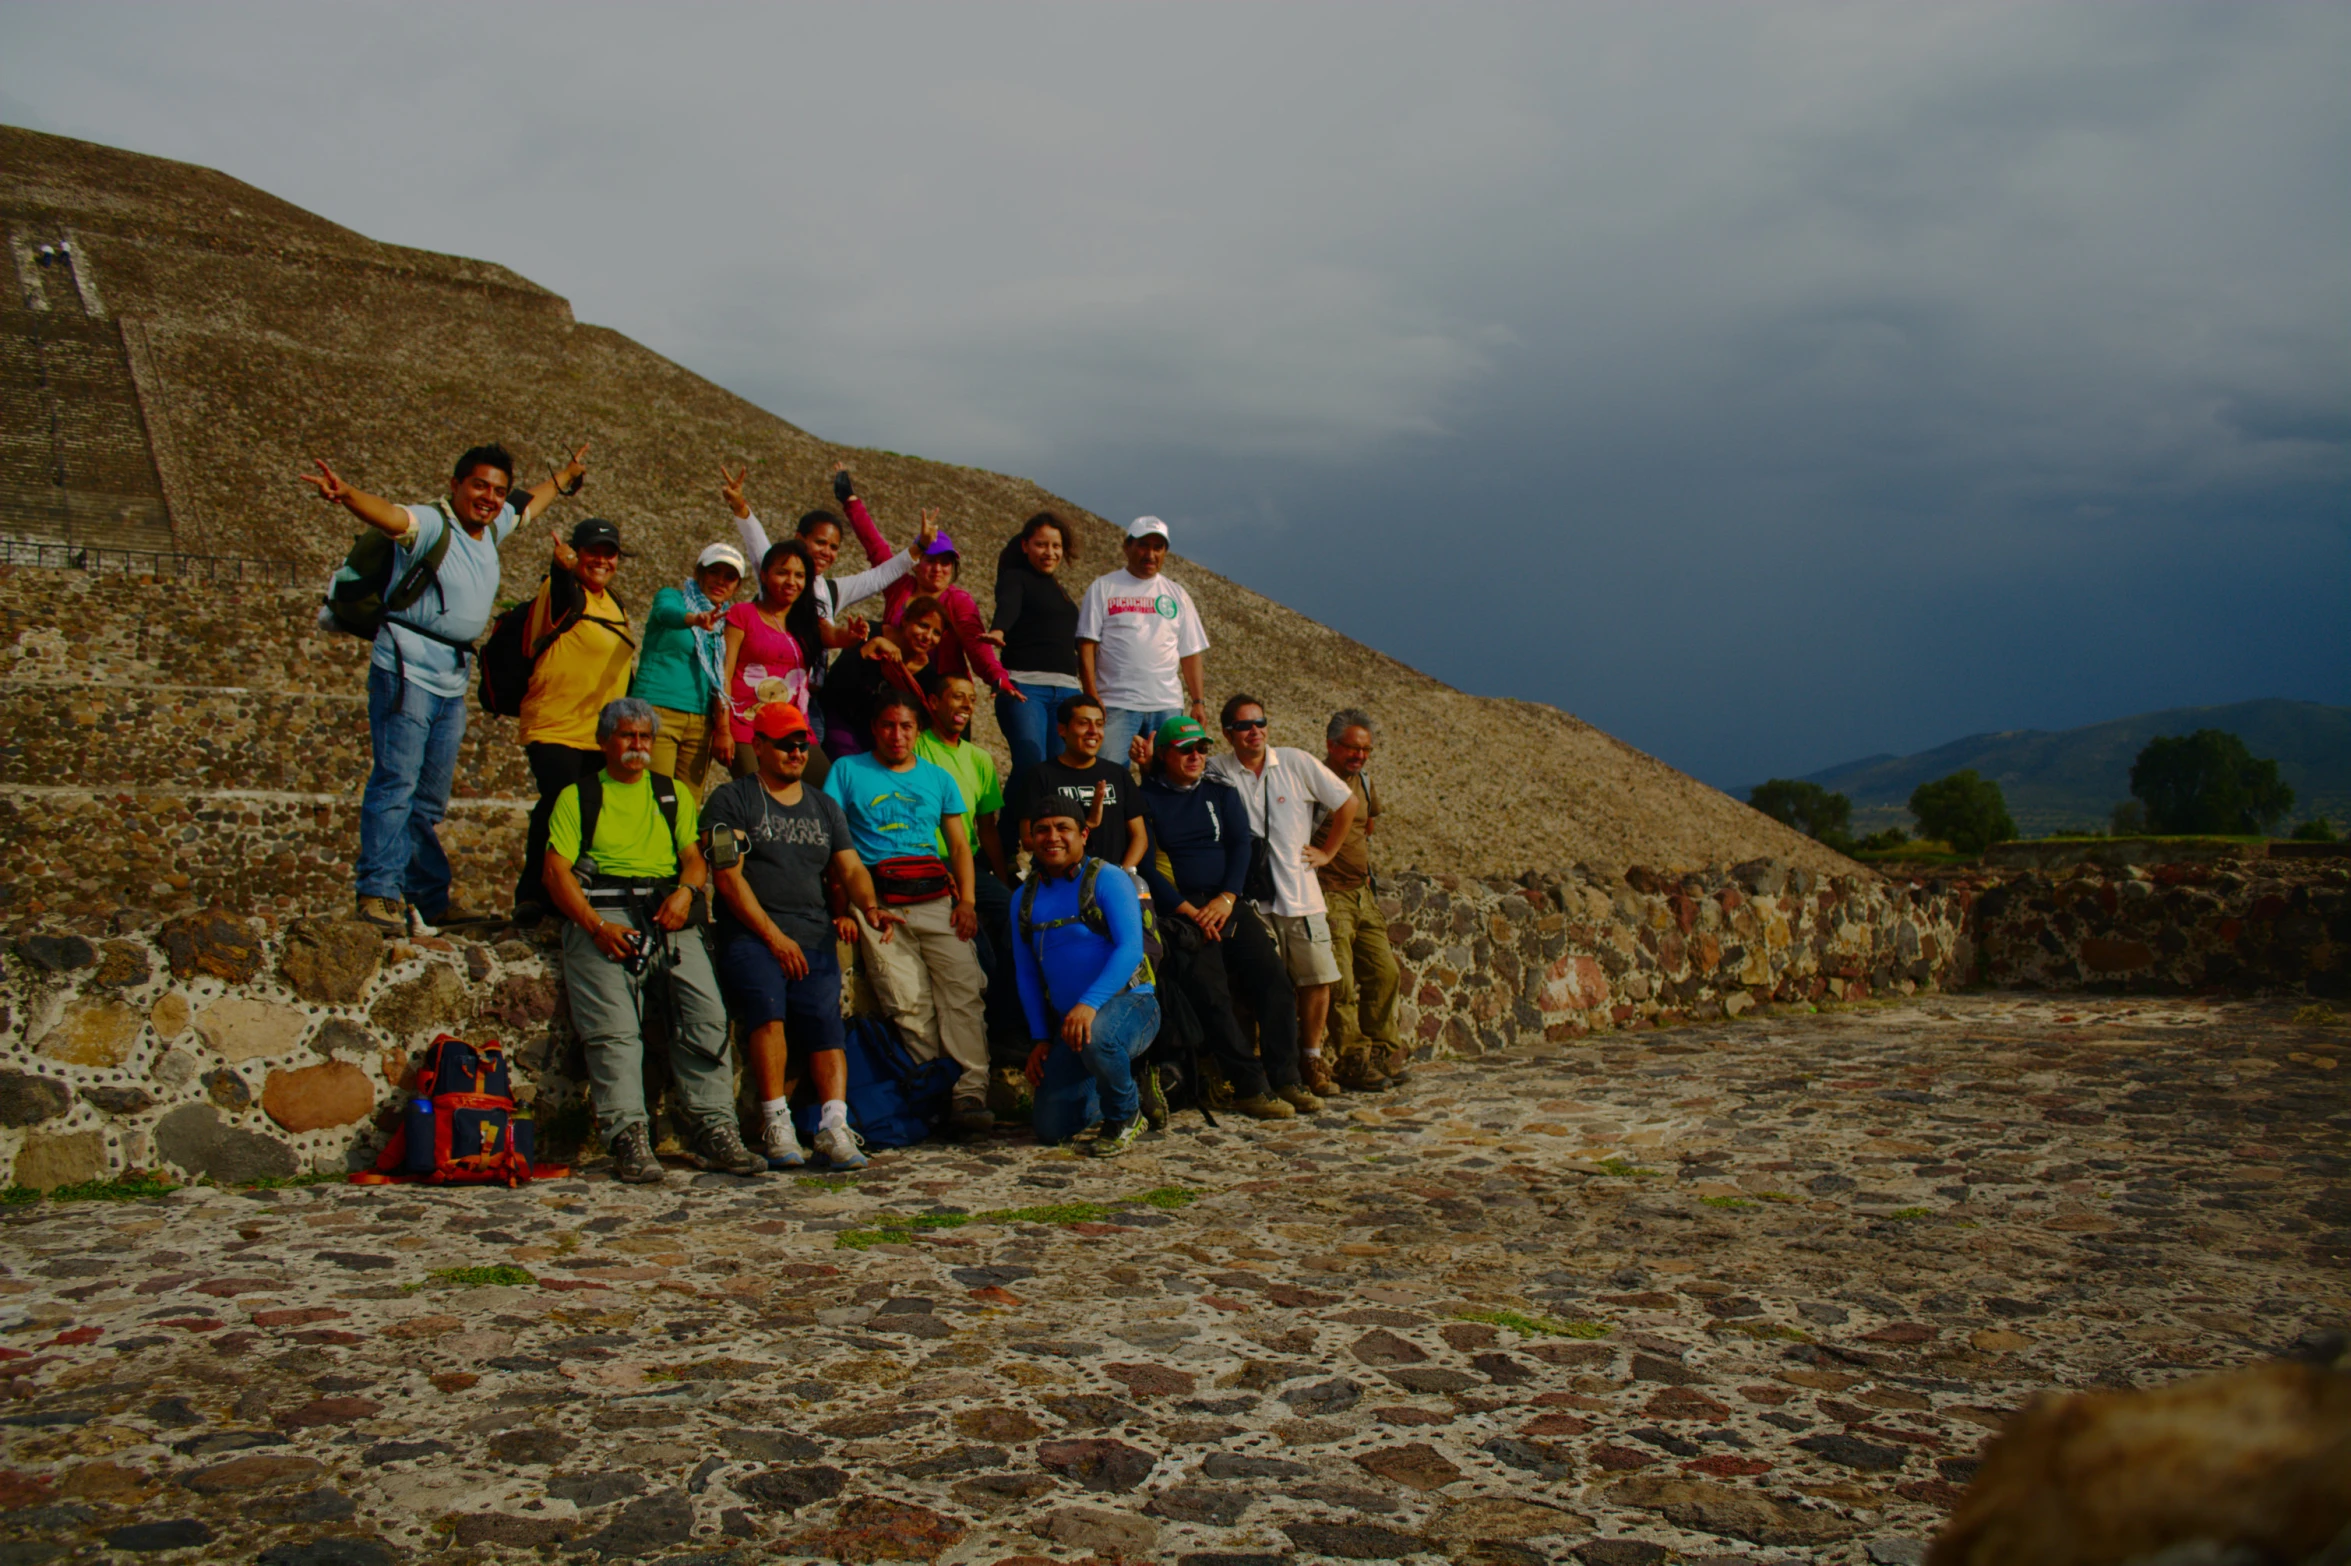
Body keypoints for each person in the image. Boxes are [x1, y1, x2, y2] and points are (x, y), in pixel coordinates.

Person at [301, 441, 588, 930]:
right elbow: (392, 518)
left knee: (429, 799)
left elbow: (526, 507)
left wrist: (564, 477)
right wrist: (347, 494)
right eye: (480, 485)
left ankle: (428, 899)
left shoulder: (490, 527)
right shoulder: (433, 523)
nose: (491, 497)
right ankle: (378, 892)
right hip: (407, 665)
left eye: (497, 489)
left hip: (452, 676)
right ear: (455, 485)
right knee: (396, 782)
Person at [542, 698, 766, 1184]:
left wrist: (687, 893)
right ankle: (627, 1135)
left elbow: (693, 856)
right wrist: (596, 927)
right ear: (605, 742)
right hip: (601, 915)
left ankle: (715, 1127)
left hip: (669, 913)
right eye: (627, 735)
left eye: (645, 737)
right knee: (614, 1030)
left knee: (705, 1014)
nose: (638, 746)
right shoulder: (577, 797)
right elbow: (556, 872)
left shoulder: (671, 795)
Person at [705, 702, 884, 1170]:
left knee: (827, 1025)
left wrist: (868, 907)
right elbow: (726, 876)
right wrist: (772, 936)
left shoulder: (824, 805)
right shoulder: (731, 801)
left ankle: (833, 1125)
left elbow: (850, 867)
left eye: (802, 743)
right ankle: (775, 1121)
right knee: (769, 1012)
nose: (797, 752)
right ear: (758, 746)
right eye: (785, 743)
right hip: (752, 933)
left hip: (812, 932)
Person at [824, 691, 993, 1131]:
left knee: (963, 991)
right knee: (907, 1000)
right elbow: (837, 849)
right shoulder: (846, 771)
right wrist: (843, 907)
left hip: (936, 900)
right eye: (887, 725)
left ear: (918, 732)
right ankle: (936, 1088)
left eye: (906, 727)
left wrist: (968, 902)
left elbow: (959, 845)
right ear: (873, 728)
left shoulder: (938, 779)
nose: (896, 736)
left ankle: (970, 1093)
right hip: (877, 902)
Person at [1135, 715, 1315, 1119]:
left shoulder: (1220, 792)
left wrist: (1228, 898)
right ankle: (1250, 1087)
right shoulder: (1145, 800)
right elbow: (1145, 866)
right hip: (1183, 912)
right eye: (1186, 750)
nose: (1197, 756)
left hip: (1227, 904)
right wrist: (1189, 911)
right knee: (1212, 996)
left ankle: (1287, 1077)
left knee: (1275, 982)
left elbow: (1240, 846)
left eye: (1201, 748)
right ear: (1164, 755)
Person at [1207, 694, 1358, 1100]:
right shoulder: (1217, 770)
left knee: (1316, 980)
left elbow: (1348, 802)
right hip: (1253, 901)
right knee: (1261, 983)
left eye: (1260, 722)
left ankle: (1310, 1057)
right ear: (1228, 733)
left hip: (1301, 894)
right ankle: (1266, 1067)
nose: (1254, 731)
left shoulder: (1294, 762)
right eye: (1244, 725)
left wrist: (1326, 853)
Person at [724, 462, 929, 751]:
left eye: (833, 547)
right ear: (799, 540)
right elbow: (758, 546)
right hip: (766, 698)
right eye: (820, 542)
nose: (826, 552)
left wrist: (919, 548)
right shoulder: (779, 577)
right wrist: (740, 507)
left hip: (810, 701)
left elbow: (878, 576)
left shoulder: (830, 590)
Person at [1015, 795, 1161, 1158]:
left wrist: (1089, 1004)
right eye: (1042, 830)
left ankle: (1125, 1117)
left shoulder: (1108, 878)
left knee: (1098, 1038)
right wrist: (1040, 1039)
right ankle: (1130, 1088)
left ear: (1083, 834)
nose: (1052, 837)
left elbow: (1130, 949)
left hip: (1131, 1005)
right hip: (1075, 1025)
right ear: (1030, 839)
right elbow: (1027, 971)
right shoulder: (1022, 897)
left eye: (1063, 828)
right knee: (1052, 1128)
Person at [513, 517, 638, 924]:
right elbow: (564, 591)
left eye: (609, 553)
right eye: (592, 552)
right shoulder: (561, 590)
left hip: (597, 735)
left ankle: (562, 895)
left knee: (577, 812)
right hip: (556, 725)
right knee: (560, 806)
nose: (601, 560)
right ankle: (537, 897)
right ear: (577, 552)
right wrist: (562, 567)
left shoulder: (614, 602)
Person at [916, 674, 1029, 1072]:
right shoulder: (916, 748)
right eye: (956, 697)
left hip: (972, 865)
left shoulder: (979, 759)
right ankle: (992, 1031)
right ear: (932, 702)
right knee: (975, 939)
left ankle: (1013, 1027)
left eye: (971, 699)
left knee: (1017, 915)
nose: (965, 705)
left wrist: (1000, 878)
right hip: (929, 862)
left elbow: (986, 828)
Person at [1318, 709, 1411, 1092]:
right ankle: (1351, 1059)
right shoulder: (1314, 782)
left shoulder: (1366, 784)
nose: (1359, 756)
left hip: (1362, 893)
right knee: (1341, 980)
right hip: (1328, 894)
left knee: (1385, 972)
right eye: (1353, 748)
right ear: (1331, 745)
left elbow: (1367, 826)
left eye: (1366, 750)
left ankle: (1380, 1053)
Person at [720, 538, 864, 785]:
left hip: (794, 728)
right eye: (782, 573)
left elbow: (834, 635)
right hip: (747, 727)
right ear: (764, 576)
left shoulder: (808, 621)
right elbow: (724, 674)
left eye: (799, 575)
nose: (791, 582)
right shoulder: (742, 614)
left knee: (829, 788)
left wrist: (851, 636)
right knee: (757, 797)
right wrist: (722, 729)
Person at [1074, 516, 1210, 762]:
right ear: (1128, 547)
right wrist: (1091, 694)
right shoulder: (1104, 587)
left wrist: (1198, 701)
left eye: (1158, 547)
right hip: (1116, 703)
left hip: (1166, 704)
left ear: (1165, 552)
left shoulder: (1177, 594)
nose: (1150, 554)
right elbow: (1086, 645)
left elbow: (1190, 653)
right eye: (1143, 545)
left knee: (1168, 775)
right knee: (1110, 775)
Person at [991, 513, 1080, 865]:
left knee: (1056, 773)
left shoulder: (1060, 589)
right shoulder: (1016, 578)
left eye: (1056, 546)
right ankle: (1006, 844)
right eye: (1041, 544)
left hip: (1067, 692)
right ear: (1025, 545)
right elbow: (1007, 607)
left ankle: (1051, 852)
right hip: (1026, 685)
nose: (1049, 552)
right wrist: (998, 631)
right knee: (1029, 763)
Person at [631, 541, 743, 798]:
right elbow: (665, 613)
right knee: (655, 797)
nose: (720, 581)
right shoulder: (673, 597)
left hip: (701, 722)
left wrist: (723, 729)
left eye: (730, 577)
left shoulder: (728, 620)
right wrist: (694, 618)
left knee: (687, 805)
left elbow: (722, 676)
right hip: (658, 711)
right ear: (699, 573)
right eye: (714, 572)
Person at [883, 523, 1016, 698]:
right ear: (915, 563)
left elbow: (977, 646)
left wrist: (997, 676)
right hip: (893, 688)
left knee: (929, 726)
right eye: (930, 561)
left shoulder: (959, 601)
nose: (938, 569)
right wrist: (850, 501)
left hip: (940, 699)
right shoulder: (899, 586)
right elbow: (875, 547)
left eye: (945, 562)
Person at [1025, 695, 1146, 871]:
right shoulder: (1040, 776)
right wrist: (1086, 825)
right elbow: (1028, 840)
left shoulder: (1118, 774)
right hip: (1061, 882)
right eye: (1083, 723)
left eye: (1099, 724)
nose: (1093, 731)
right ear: (1062, 730)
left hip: (1113, 879)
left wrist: (1121, 875)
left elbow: (1139, 837)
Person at [820, 595, 948, 759]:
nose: (928, 636)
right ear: (905, 620)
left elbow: (921, 720)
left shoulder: (928, 675)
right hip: (840, 721)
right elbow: (835, 682)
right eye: (923, 625)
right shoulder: (871, 632)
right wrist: (872, 646)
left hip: (882, 739)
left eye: (936, 633)